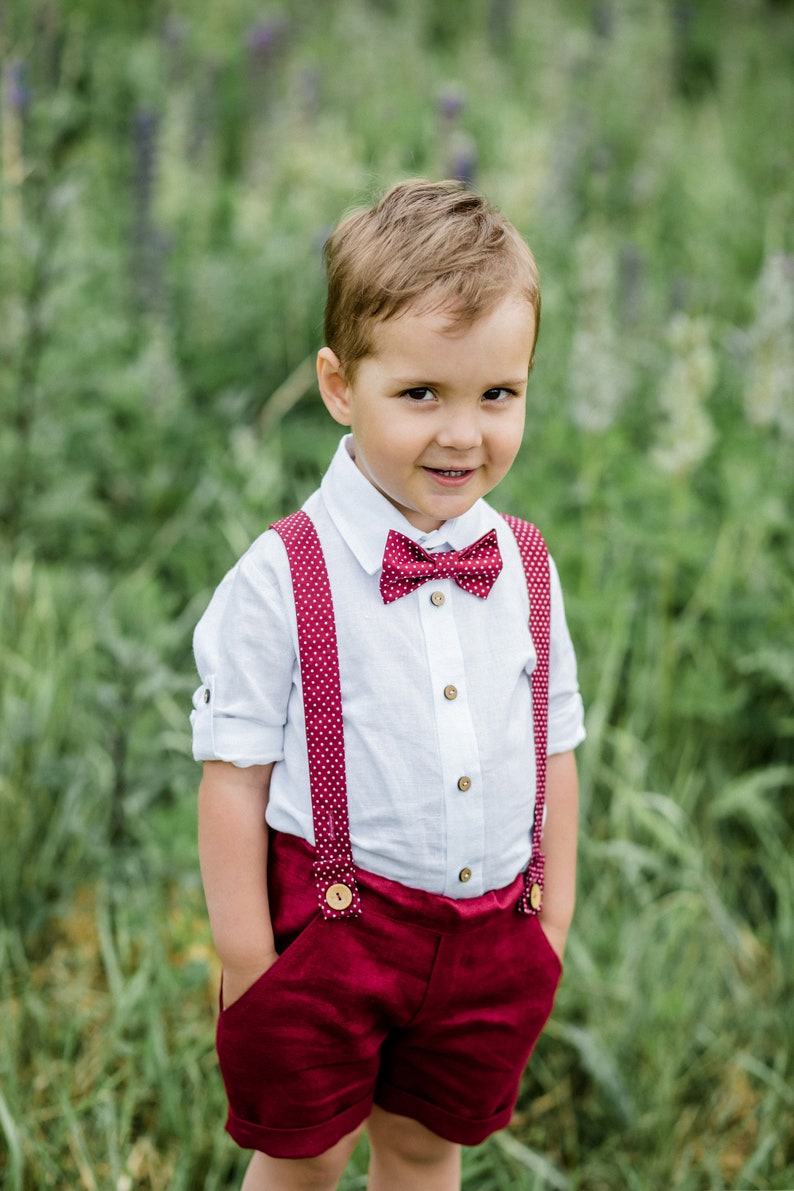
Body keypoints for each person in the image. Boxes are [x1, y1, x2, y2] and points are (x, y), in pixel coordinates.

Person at [191, 179, 585, 1191]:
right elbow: (232, 775)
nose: (462, 434)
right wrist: (247, 960)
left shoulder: (527, 569)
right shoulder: (284, 575)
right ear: (339, 386)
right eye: (422, 395)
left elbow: (552, 744)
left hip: (490, 934)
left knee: (422, 1148)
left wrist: (551, 919)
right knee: (304, 1153)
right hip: (324, 934)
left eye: (496, 395)